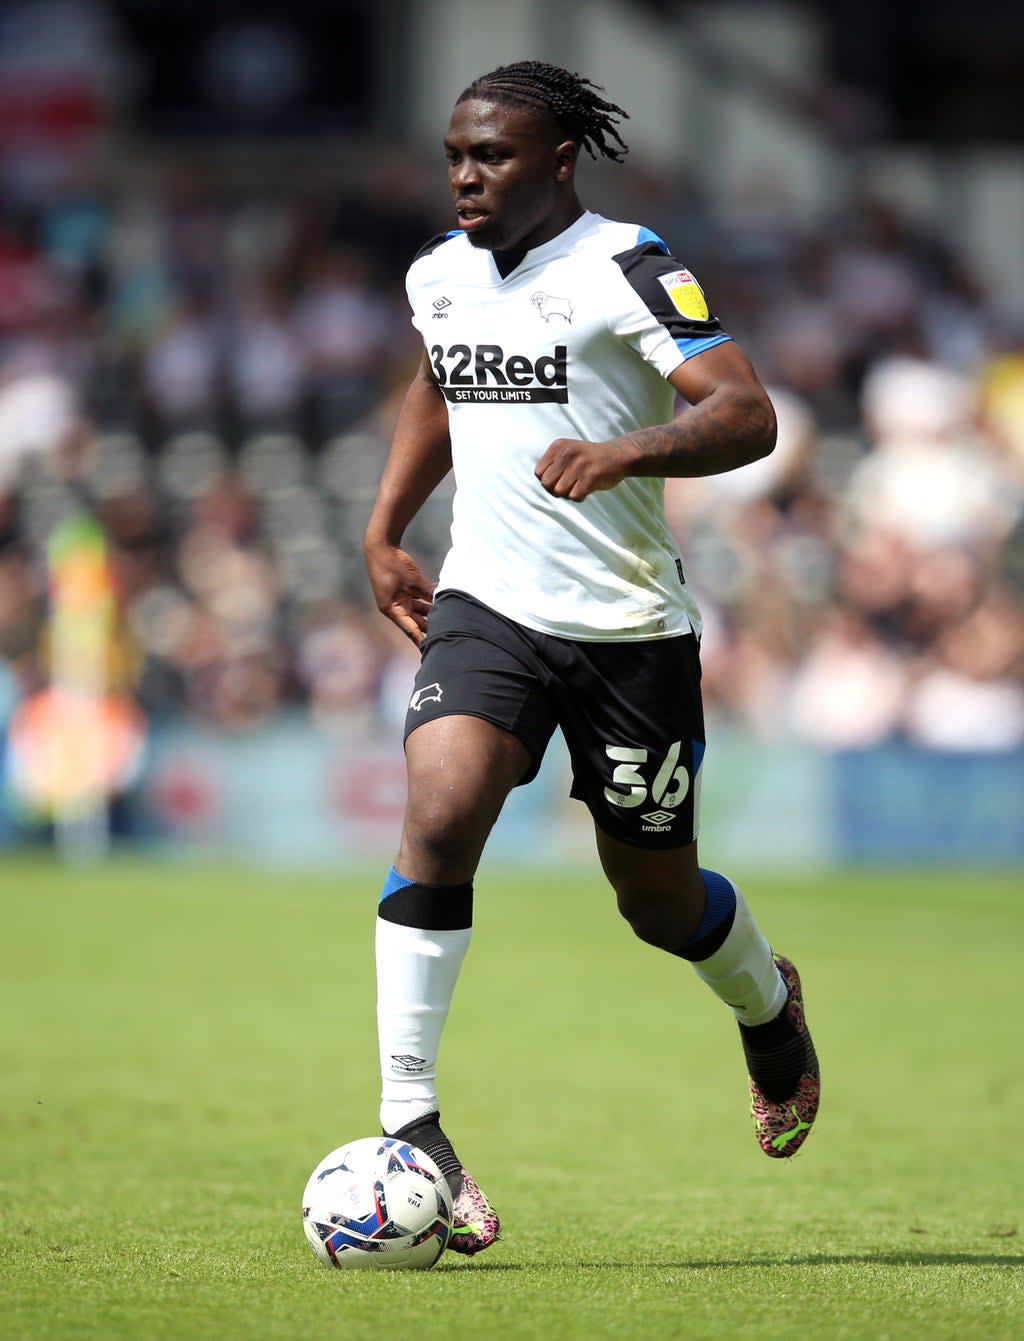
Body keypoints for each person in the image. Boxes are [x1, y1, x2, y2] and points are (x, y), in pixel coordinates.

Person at [363, 60, 820, 1257]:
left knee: (658, 904)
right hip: (487, 606)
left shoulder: (629, 264)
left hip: (627, 632)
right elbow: (436, 380)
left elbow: (745, 411)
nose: (466, 175)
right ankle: (411, 1126)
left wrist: (631, 452)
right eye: (456, 155)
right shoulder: (440, 274)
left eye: (493, 156)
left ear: (557, 159)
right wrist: (383, 528)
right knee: (441, 809)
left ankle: (768, 1008)